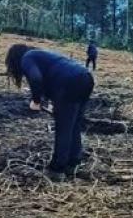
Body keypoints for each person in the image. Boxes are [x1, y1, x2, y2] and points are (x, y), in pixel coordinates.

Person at [6, 43, 94, 181]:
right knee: (74, 124)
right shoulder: (43, 57)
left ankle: (57, 169)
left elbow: (35, 78)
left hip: (70, 82)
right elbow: (53, 78)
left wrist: (36, 101)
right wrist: (53, 104)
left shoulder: (27, 57)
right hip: (86, 78)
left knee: (63, 128)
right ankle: (73, 163)